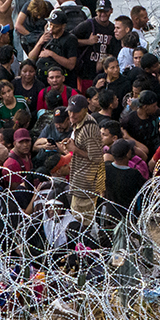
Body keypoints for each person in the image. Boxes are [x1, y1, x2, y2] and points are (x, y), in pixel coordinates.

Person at [62, 95, 103, 227]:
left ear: (85, 110)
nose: (72, 115)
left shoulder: (88, 129)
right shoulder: (79, 122)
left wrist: (74, 149)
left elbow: (96, 156)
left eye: (76, 111)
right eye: (70, 111)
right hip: (78, 179)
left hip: (86, 182)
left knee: (82, 223)